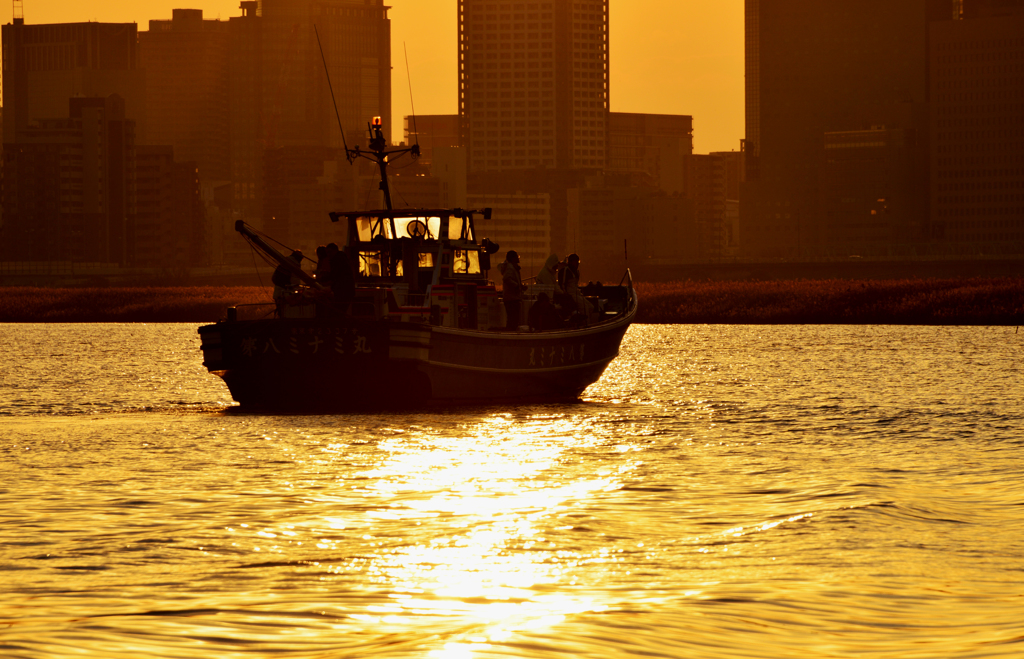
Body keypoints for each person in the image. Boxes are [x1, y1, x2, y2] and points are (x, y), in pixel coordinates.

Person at [326, 242, 355, 314]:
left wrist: (323, 278)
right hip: (346, 290)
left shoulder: (338, 260)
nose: (328, 255)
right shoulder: (342, 258)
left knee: (338, 310)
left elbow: (334, 274)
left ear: (335, 250)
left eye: (330, 252)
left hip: (342, 290)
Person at [273, 250, 304, 316]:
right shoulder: (295, 265)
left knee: (280, 313)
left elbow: (273, 278)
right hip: (287, 295)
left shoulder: (283, 262)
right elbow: (295, 281)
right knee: (289, 314)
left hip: (277, 293)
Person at [499, 249, 524, 330]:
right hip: (512, 299)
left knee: (512, 319)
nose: (518, 258)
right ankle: (511, 333)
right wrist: (517, 286)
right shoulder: (510, 268)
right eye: (517, 257)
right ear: (513, 258)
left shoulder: (512, 267)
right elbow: (506, 279)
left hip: (511, 298)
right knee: (513, 319)